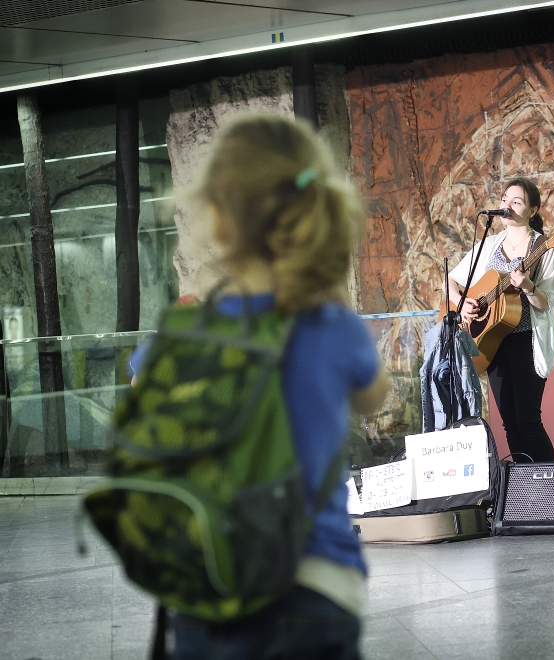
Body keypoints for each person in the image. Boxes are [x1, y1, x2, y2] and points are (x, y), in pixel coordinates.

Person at [133, 114, 389, 659]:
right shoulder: (334, 327)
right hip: (316, 584)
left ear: (218, 220)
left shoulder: (185, 334)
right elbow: (374, 394)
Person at [448, 178, 554, 462]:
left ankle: (551, 490)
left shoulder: (545, 248)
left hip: (526, 339)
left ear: (533, 210)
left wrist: (527, 286)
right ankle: (526, 493)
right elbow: (450, 279)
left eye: (516, 202)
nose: (506, 206)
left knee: (528, 421)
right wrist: (461, 304)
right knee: (509, 424)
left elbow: (545, 302)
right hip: (492, 341)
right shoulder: (490, 244)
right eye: (504, 199)